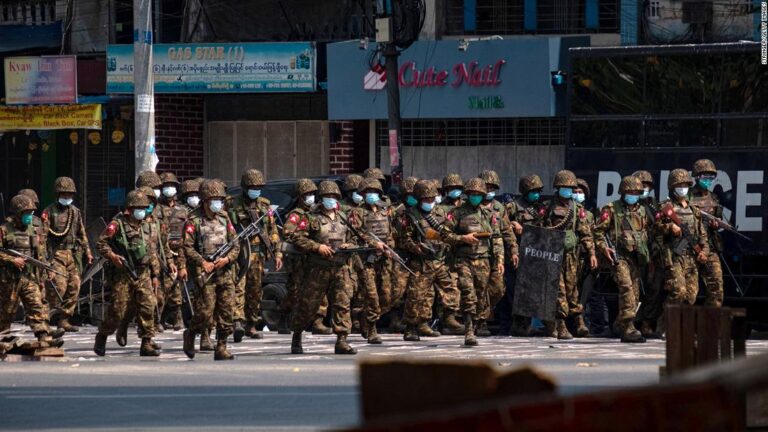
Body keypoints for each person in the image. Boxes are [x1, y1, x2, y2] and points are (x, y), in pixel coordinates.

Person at [289, 180, 358, 355]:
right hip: (318, 269)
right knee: (308, 305)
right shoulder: (311, 217)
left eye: (334, 197)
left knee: (342, 304)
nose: (331, 200)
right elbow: (297, 238)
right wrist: (317, 247)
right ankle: (297, 335)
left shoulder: (344, 217)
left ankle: (342, 340)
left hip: (340, 267)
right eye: (327, 197)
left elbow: (355, 238)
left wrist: (349, 245)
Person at [93, 190, 161, 357]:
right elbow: (101, 244)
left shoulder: (148, 225)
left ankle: (146, 342)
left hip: (143, 272)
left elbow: (153, 252)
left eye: (144, 208)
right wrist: (113, 257)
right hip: (123, 274)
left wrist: (155, 275)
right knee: (118, 310)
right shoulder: (117, 225)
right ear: (129, 209)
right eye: (138, 208)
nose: (142, 211)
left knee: (148, 306)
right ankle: (102, 335)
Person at [440, 178, 503, 347]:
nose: (475, 197)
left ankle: (475, 324)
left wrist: (499, 260)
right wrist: (463, 238)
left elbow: (497, 238)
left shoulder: (489, 215)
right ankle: (468, 330)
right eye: (472, 194)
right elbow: (445, 235)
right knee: (468, 294)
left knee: (481, 296)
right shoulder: (457, 213)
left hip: (483, 260)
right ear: (467, 195)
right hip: (464, 260)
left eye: (478, 194)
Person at [183, 180, 241, 360]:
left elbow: (236, 244)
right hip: (206, 273)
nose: (219, 203)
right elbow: (187, 247)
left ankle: (221, 346)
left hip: (225, 272)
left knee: (227, 311)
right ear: (206, 200)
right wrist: (202, 262)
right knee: (205, 311)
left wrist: (227, 259)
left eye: (220, 200)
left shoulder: (225, 218)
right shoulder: (194, 220)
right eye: (215, 199)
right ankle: (191, 333)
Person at [0, 195, 63, 347]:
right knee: (6, 313)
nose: (29, 216)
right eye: (26, 212)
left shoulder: (34, 231)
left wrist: (46, 268)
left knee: (36, 307)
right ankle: (3, 339)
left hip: (29, 277)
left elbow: (39, 254)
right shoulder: (4, 230)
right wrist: (12, 260)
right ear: (17, 213)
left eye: (31, 212)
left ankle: (44, 337)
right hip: (9, 280)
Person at [541, 170, 597, 340]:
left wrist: (592, 253)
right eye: (564, 187)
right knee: (559, 290)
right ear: (557, 188)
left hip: (572, 255)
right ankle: (561, 325)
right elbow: (538, 230)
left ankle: (579, 321)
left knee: (572, 290)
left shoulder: (577, 208)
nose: (568, 190)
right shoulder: (548, 207)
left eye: (570, 188)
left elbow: (585, 233)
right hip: (553, 254)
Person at [593, 176, 650, 343]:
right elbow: (597, 232)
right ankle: (628, 328)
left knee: (635, 294)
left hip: (636, 257)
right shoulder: (611, 209)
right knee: (626, 288)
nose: (633, 194)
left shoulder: (641, 210)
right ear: (623, 192)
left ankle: (618, 324)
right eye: (630, 192)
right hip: (619, 257)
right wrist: (604, 248)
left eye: (636, 192)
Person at [228, 169, 283, 341]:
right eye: (253, 187)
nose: (256, 190)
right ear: (245, 187)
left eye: (259, 187)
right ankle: (237, 322)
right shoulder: (231, 204)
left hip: (258, 255)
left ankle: (251, 324)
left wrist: (277, 253)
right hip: (239, 253)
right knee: (238, 288)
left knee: (255, 291)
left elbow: (272, 231)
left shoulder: (265, 206)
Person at [399, 180, 454, 341]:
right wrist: (416, 247)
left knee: (448, 291)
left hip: (440, 259)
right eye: (426, 199)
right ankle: (410, 327)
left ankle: (436, 321)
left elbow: (448, 233)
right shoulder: (410, 215)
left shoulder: (440, 214)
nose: (430, 202)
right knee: (417, 295)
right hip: (421, 261)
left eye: (432, 199)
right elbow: (404, 239)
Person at [655, 169, 709, 333]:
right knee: (678, 291)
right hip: (674, 255)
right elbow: (655, 228)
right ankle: (664, 326)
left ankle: (681, 327)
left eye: (685, 185)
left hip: (691, 257)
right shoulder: (666, 207)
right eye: (679, 185)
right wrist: (670, 226)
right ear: (672, 187)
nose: (683, 188)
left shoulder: (694, 210)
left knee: (691, 296)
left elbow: (702, 234)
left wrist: (703, 251)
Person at [278, 179, 331, 335]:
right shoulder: (296, 215)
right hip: (298, 259)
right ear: (300, 197)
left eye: (312, 194)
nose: (311, 197)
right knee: (295, 291)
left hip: (315, 258)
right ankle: (284, 315)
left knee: (319, 289)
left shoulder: (317, 213)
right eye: (307, 195)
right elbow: (288, 234)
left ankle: (317, 321)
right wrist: (310, 244)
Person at [349, 178, 397, 344]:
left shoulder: (385, 211)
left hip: (383, 259)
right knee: (372, 297)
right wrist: (373, 243)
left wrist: (389, 248)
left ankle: (364, 316)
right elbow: (357, 232)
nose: (372, 195)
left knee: (387, 296)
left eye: (374, 192)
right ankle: (371, 329)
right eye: (368, 192)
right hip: (366, 259)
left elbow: (390, 233)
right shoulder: (358, 212)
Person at [42, 177, 93, 332]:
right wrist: (44, 259)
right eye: (64, 195)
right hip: (56, 254)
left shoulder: (75, 212)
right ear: (58, 194)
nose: (67, 198)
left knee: (74, 287)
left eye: (69, 195)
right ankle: (45, 318)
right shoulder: (48, 211)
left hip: (72, 254)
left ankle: (64, 320)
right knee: (58, 288)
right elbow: (43, 237)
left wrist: (88, 252)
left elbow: (82, 233)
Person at [503, 174, 547, 337]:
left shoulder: (541, 208)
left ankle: (529, 324)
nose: (536, 194)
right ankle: (517, 325)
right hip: (518, 254)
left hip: (536, 255)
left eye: (538, 191)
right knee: (515, 291)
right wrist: (513, 225)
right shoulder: (513, 207)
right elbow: (503, 226)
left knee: (532, 292)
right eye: (533, 191)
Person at [478, 170, 519, 337]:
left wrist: (514, 250)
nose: (489, 190)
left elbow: (507, 231)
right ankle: (480, 323)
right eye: (486, 187)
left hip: (496, 255)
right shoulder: (471, 206)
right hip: (476, 254)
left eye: (492, 187)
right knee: (478, 289)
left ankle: (490, 317)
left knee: (498, 289)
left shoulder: (499, 207)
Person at [688, 159, 724, 308]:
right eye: (704, 177)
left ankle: (710, 327)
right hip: (689, 247)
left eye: (711, 177)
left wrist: (716, 225)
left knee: (716, 289)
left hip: (710, 247)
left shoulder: (713, 198)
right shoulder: (687, 197)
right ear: (697, 177)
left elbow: (718, 218)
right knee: (689, 292)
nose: (708, 180)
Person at [633, 170, 664, 339]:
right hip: (635, 254)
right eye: (641, 185)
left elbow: (659, 229)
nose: (644, 189)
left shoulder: (654, 206)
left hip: (652, 254)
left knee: (654, 289)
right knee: (636, 290)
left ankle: (647, 322)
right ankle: (633, 322)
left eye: (647, 186)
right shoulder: (629, 207)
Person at [156, 172, 187, 330]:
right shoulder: (156, 209)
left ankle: (177, 318)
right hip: (161, 253)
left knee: (176, 286)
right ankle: (158, 319)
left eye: (172, 186)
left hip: (178, 252)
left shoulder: (183, 210)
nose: (169, 189)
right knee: (162, 287)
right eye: (166, 186)